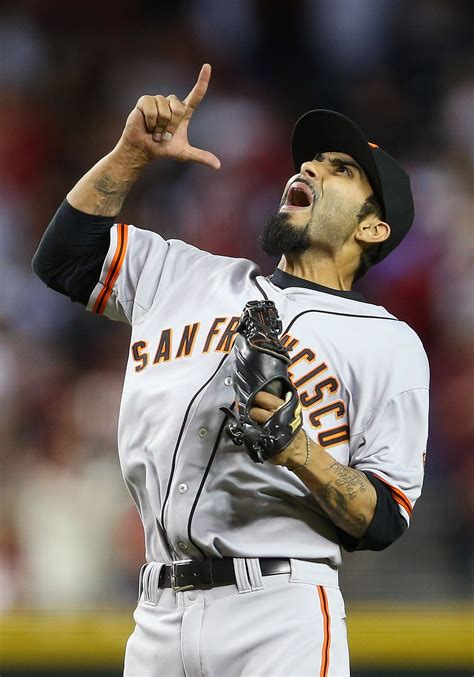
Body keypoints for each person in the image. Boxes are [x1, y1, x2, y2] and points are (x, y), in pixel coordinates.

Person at [32, 64, 429, 676]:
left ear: (373, 227)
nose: (310, 169)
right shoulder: (184, 275)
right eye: (311, 162)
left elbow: (384, 517)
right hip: (157, 612)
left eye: (340, 170)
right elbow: (63, 258)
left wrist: (301, 453)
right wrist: (132, 154)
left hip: (278, 612)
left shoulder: (390, 344)